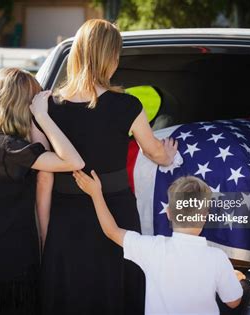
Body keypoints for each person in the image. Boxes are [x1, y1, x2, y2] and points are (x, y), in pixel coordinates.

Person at [36, 19, 178, 315]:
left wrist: (43, 231)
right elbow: (154, 152)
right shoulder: (127, 105)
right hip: (116, 214)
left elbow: (44, 177)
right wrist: (168, 155)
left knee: (69, 294)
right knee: (114, 293)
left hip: (65, 218)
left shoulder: (48, 107)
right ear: (111, 58)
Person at [0, 68, 84, 315]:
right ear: (23, 106)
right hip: (8, 272)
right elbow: (73, 162)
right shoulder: (11, 151)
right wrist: (43, 117)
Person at [73, 171, 244, 315]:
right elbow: (233, 302)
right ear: (205, 215)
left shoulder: (152, 248)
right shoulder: (217, 258)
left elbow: (112, 231)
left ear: (169, 213)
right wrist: (237, 280)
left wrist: (96, 194)